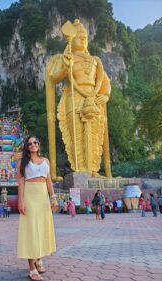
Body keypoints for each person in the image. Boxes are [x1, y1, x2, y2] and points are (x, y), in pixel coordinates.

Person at [46, 19, 111, 179]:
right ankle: (80, 169)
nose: (83, 40)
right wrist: (65, 67)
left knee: (95, 135)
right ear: (72, 39)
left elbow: (104, 80)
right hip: (74, 99)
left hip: (94, 99)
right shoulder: (65, 58)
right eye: (79, 37)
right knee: (77, 136)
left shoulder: (95, 60)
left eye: (85, 37)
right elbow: (53, 79)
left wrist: (105, 95)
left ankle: (94, 169)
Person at [17, 136, 58, 281]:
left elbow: (48, 180)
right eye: (29, 143)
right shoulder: (22, 162)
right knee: (31, 230)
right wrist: (21, 202)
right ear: (27, 147)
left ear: (38, 144)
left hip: (43, 197)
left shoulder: (45, 161)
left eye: (35, 142)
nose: (33, 145)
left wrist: (53, 197)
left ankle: (39, 259)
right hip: (30, 195)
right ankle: (31, 268)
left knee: (41, 228)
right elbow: (21, 182)